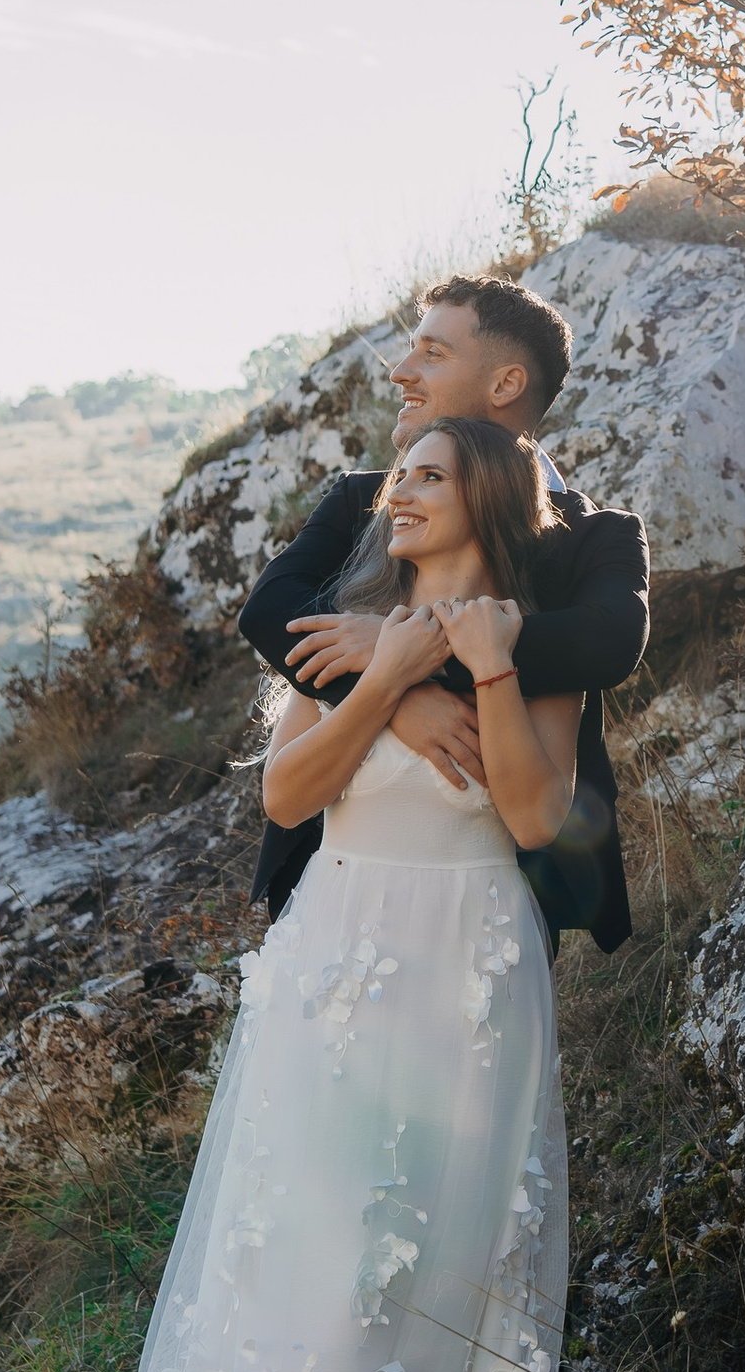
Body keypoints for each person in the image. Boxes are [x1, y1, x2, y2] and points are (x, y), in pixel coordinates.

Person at [65, 415, 583, 1372]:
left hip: (470, 957)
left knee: (450, 1243)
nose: (397, 490)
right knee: (325, 1239)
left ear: (491, 499)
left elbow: (533, 814)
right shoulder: (346, 628)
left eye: (428, 475)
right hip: (340, 951)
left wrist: (487, 669)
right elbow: (289, 798)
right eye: (396, 473)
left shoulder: (532, 640)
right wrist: (388, 682)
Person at [241, 275, 648, 954]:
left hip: (499, 908)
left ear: (504, 384)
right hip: (339, 888)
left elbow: (604, 645)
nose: (401, 373)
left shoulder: (595, 535)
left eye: (431, 353)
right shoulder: (363, 503)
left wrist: (413, 650)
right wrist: (394, 693)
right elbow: (271, 614)